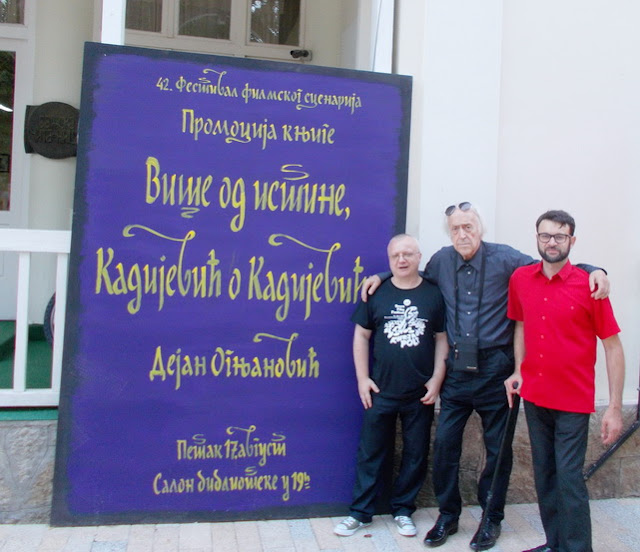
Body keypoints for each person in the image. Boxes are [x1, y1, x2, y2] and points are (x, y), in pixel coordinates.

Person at [361, 202, 610, 550]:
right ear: (449, 233)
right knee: (445, 446)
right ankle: (448, 516)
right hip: (456, 372)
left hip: (496, 370)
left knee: (498, 452)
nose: (462, 234)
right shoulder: (441, 261)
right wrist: (383, 276)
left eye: (468, 226)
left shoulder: (506, 259)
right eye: (455, 228)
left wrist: (594, 269)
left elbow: (551, 262)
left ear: (480, 228)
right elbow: (412, 275)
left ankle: (491, 519)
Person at [505, 210, 624, 552]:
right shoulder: (521, 279)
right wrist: (518, 370)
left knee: (569, 480)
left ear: (572, 240)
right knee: (545, 476)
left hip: (573, 400)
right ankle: (555, 544)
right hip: (535, 395)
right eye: (545, 235)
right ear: (537, 238)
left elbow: (613, 347)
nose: (552, 242)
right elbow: (520, 325)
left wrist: (615, 408)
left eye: (560, 236)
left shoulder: (591, 285)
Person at [334, 234, 448, 538]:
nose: (402, 260)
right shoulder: (376, 292)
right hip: (380, 391)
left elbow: (442, 338)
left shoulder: (434, 294)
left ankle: (403, 510)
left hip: (420, 393)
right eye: (396, 255)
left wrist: (437, 378)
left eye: (408, 254)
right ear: (389, 259)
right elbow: (361, 335)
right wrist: (363, 378)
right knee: (371, 452)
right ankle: (360, 513)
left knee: (415, 454)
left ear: (419, 257)